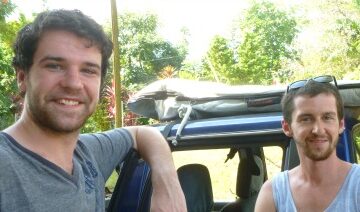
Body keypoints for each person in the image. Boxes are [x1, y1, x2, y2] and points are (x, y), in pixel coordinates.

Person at [0, 9, 186, 211]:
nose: (73, 84)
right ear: (22, 78)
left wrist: (168, 185)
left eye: (88, 70)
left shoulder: (89, 153)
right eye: (54, 66)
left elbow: (142, 133)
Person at [255, 75, 360, 211]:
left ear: (340, 124)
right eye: (306, 119)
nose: (318, 129)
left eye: (327, 117)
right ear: (287, 127)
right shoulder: (273, 193)